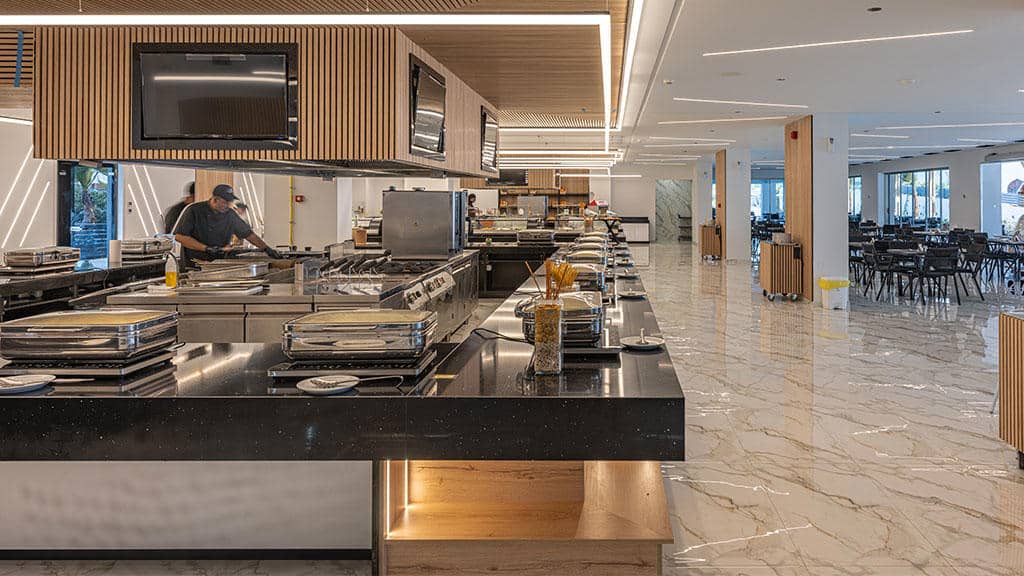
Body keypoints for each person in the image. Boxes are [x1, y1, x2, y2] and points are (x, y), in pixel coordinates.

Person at [173, 184, 283, 268]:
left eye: (230, 202)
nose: (228, 205)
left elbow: (248, 234)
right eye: (225, 202)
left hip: (218, 266)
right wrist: (207, 248)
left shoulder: (230, 215)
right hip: (194, 266)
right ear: (215, 199)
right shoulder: (194, 210)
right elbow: (180, 237)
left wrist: (266, 249)